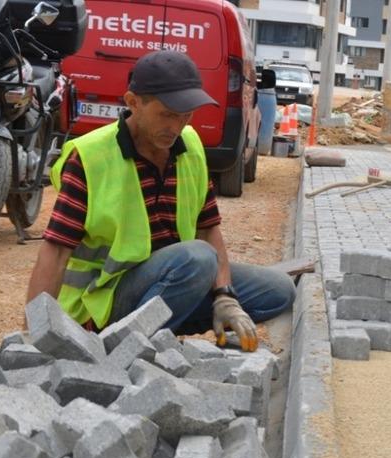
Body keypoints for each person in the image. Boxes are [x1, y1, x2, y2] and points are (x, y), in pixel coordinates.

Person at [26, 50, 295, 352]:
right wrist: (37, 338)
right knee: (197, 259)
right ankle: (123, 348)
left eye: (186, 115)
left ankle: (162, 329)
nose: (177, 126)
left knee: (278, 291)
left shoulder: (190, 147)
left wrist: (225, 297)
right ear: (133, 102)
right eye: (167, 114)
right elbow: (56, 251)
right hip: (104, 300)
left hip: (173, 283)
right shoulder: (91, 157)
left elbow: (208, 229)